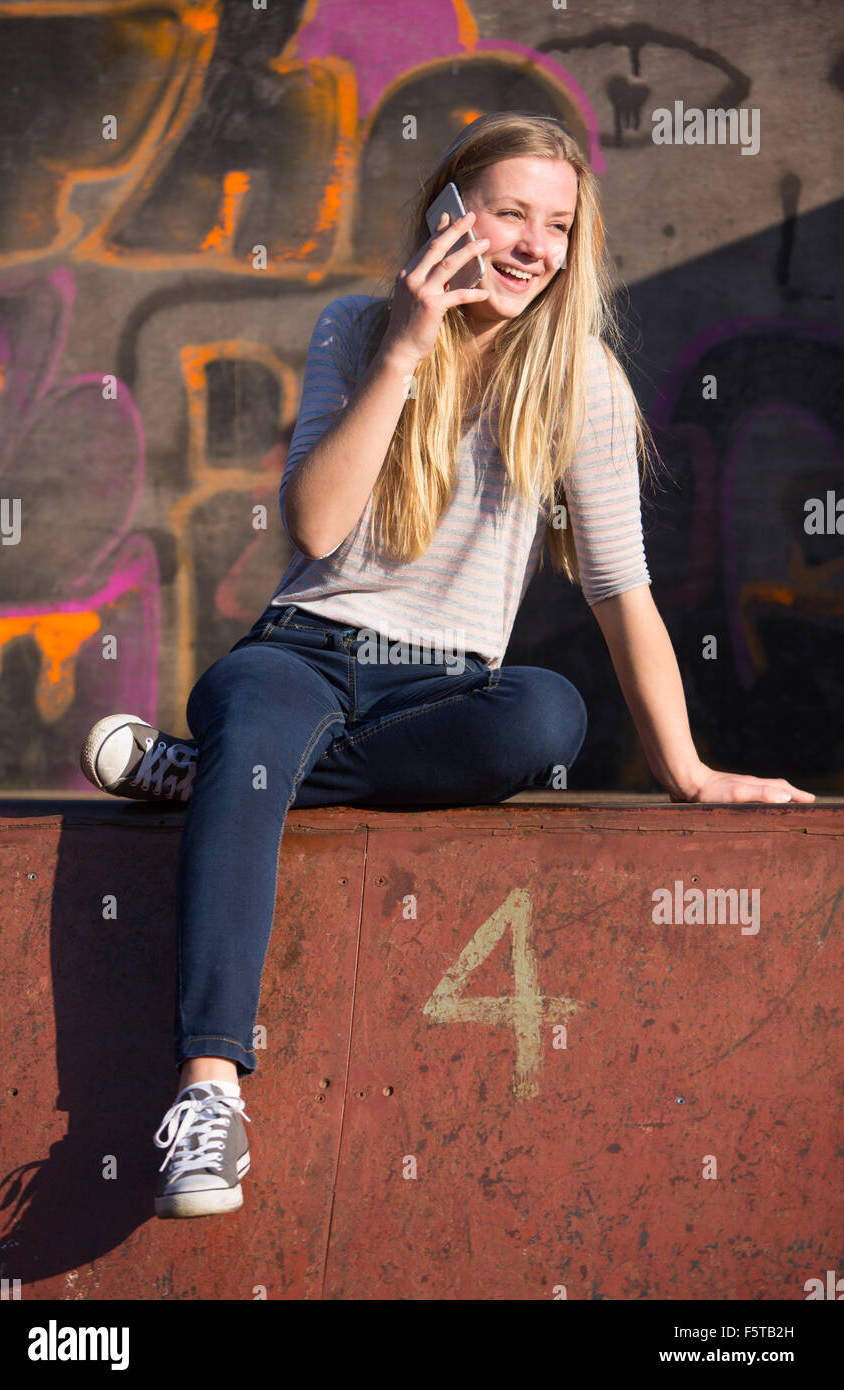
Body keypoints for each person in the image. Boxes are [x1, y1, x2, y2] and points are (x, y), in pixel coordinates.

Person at [80, 111, 814, 1219]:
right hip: (299, 658)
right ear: (446, 211)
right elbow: (318, 529)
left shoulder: (582, 383)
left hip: (441, 691)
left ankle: (215, 773)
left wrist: (691, 772)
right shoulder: (356, 327)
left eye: (556, 225)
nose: (531, 243)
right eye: (508, 211)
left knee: (544, 715)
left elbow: (622, 595)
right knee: (255, 707)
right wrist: (408, 349)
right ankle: (209, 1091)